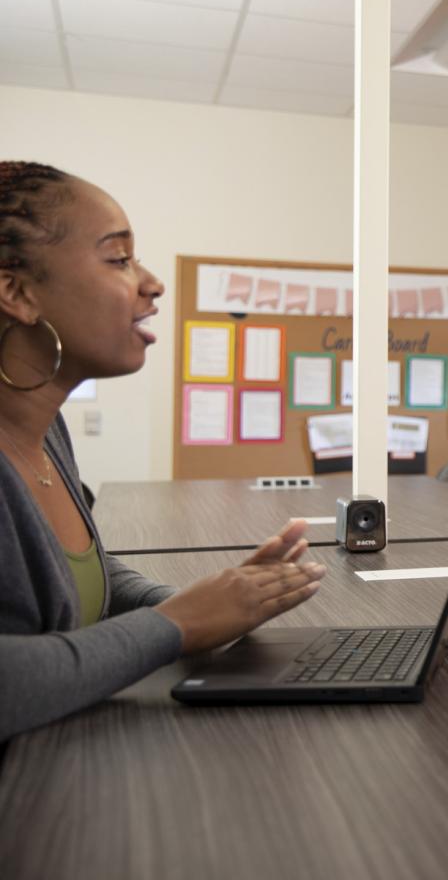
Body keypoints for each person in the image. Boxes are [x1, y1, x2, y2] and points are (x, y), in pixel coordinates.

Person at [0, 162, 326, 744]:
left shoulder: (48, 433)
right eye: (119, 259)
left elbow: (79, 578)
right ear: (17, 292)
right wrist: (175, 624)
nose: (152, 283)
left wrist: (207, 606)